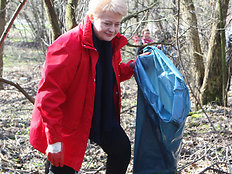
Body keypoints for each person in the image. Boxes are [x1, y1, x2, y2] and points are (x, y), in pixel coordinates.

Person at [29, 0, 148, 173]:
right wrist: (54, 140)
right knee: (63, 167)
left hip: (99, 115)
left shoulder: (111, 42)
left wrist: (133, 66)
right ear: (92, 17)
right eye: (107, 23)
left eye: (117, 24)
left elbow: (107, 74)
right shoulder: (67, 45)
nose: (112, 29)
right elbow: (49, 96)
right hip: (68, 121)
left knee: (120, 149)